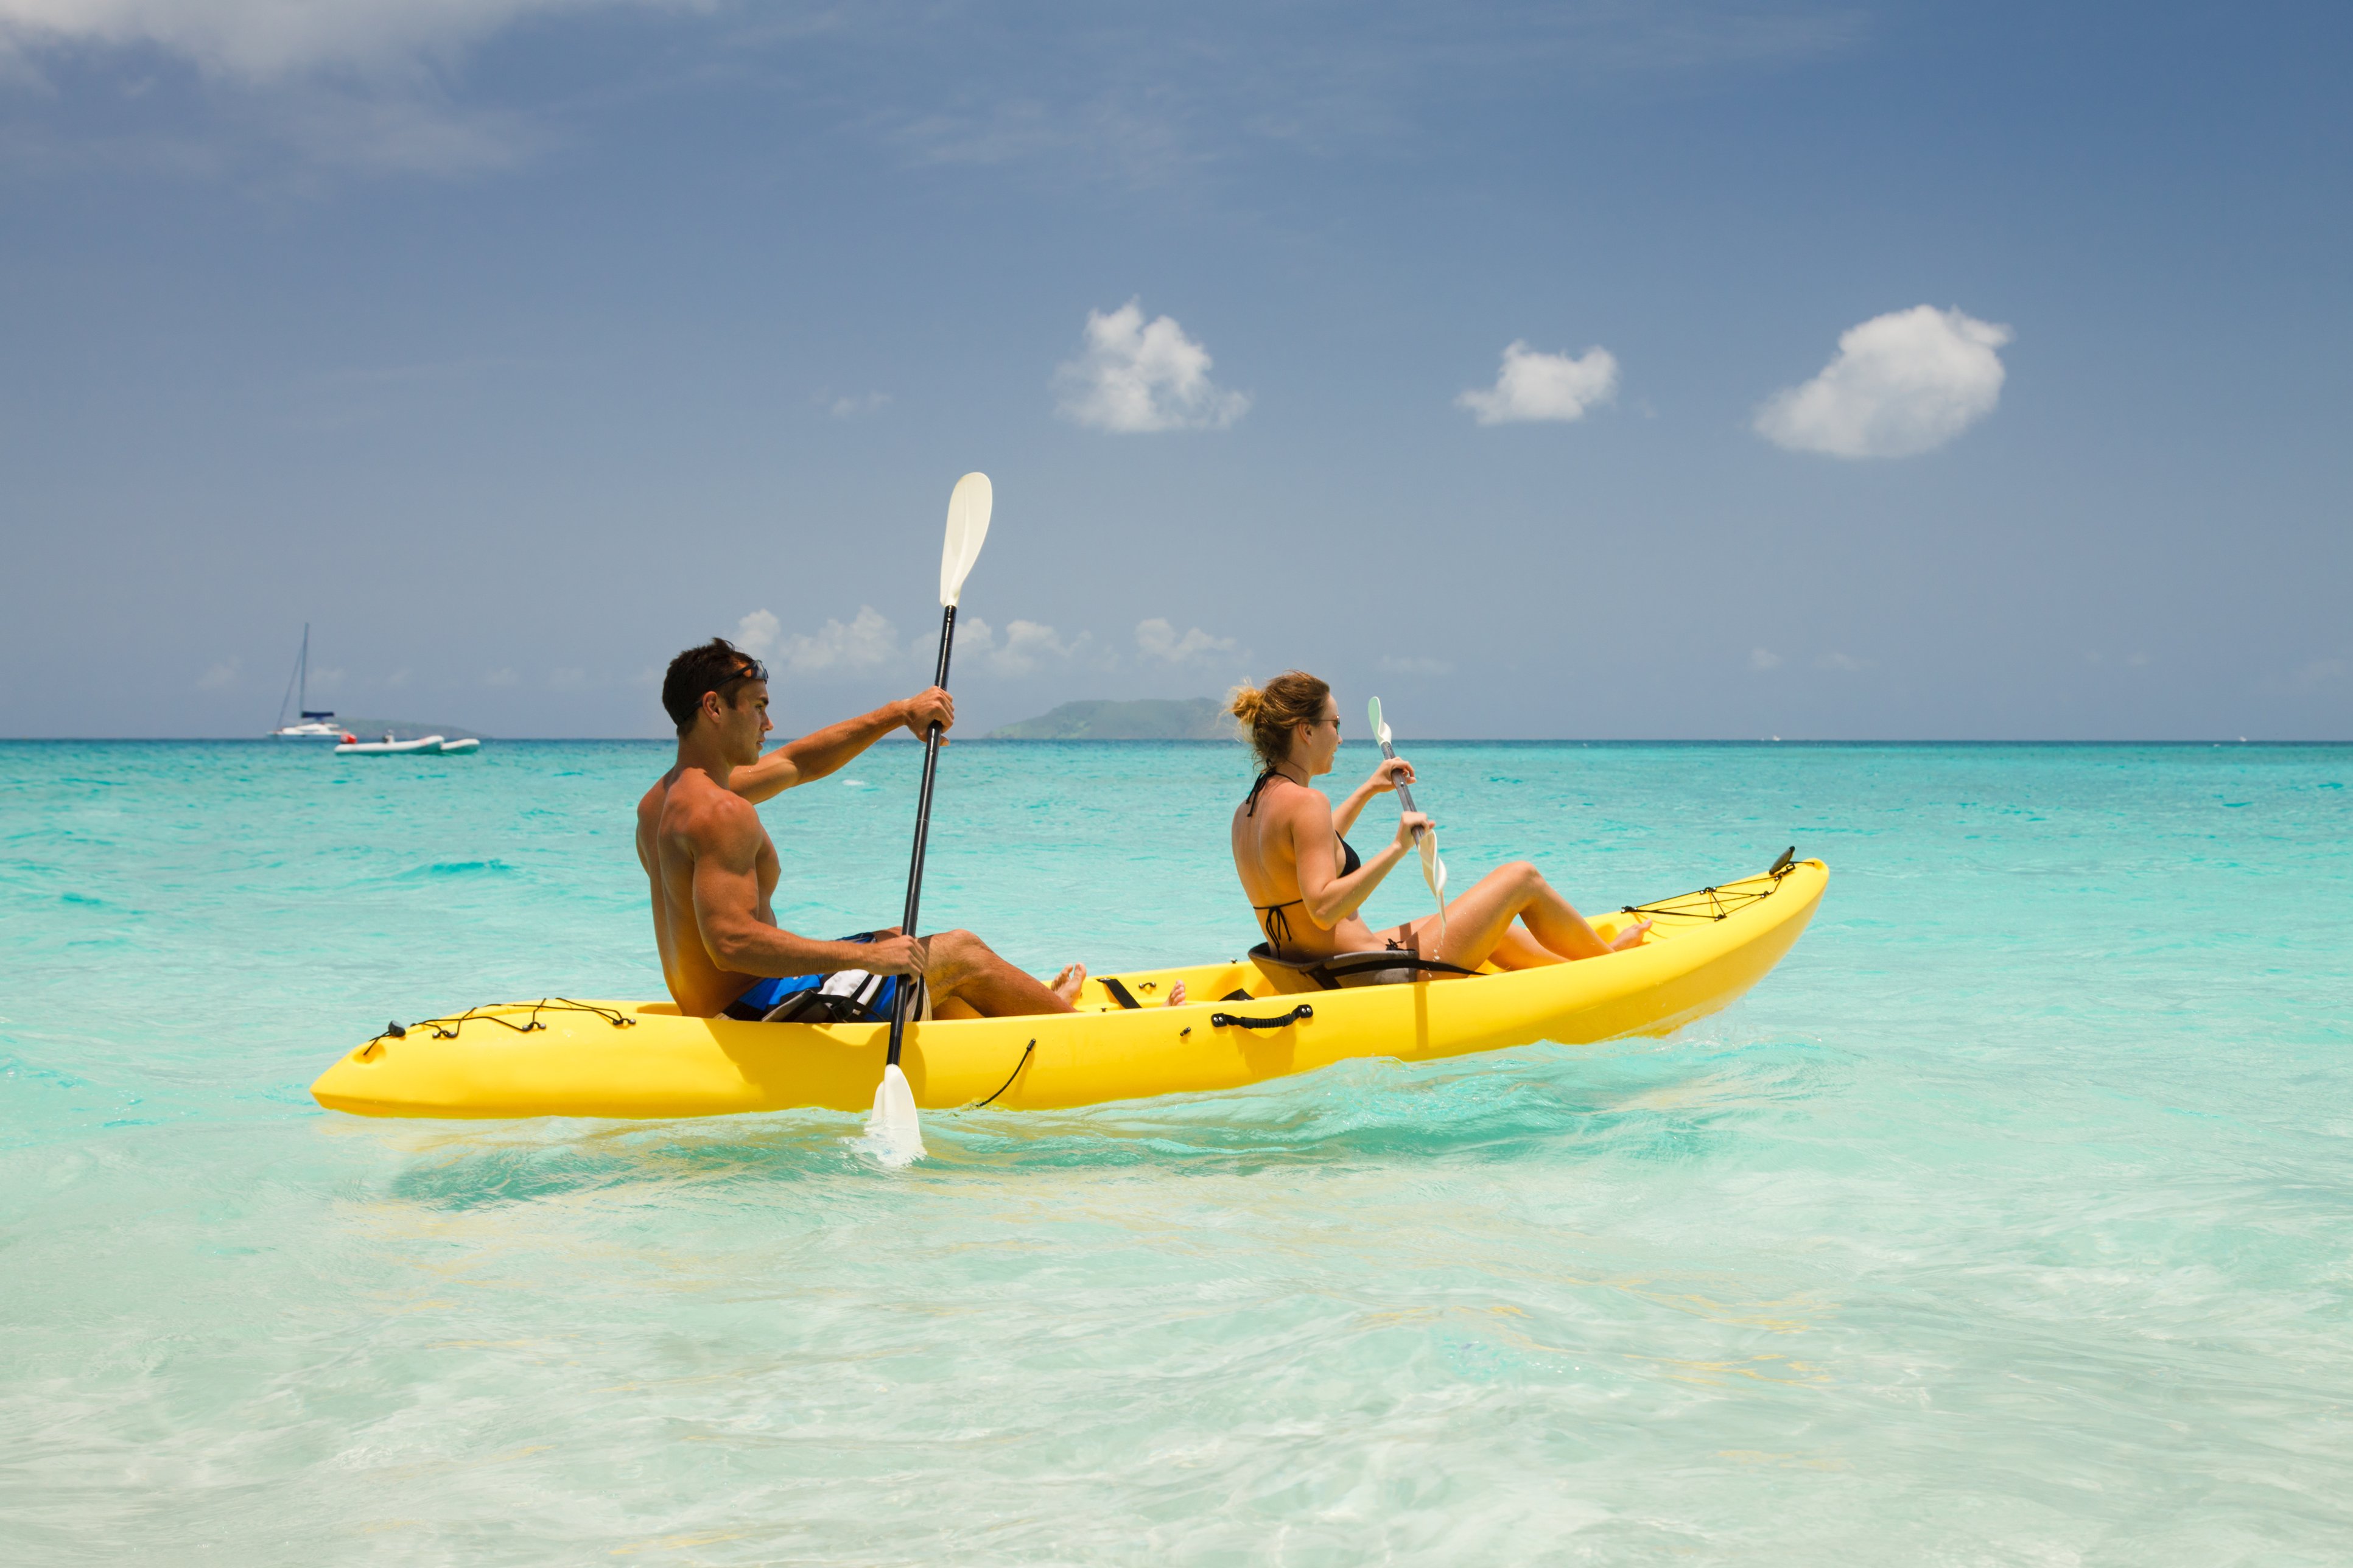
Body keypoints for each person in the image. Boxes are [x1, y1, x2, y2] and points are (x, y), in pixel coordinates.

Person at [638, 638, 1180, 1020]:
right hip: (753, 1008)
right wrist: (862, 958)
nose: (769, 725)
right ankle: (1076, 1028)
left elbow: (800, 763)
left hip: (723, 998)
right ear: (714, 707)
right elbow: (731, 943)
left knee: (908, 950)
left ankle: (1022, 1027)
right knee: (960, 951)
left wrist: (900, 713)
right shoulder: (721, 812)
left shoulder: (664, 801)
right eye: (758, 708)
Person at [1226, 670, 1647, 977]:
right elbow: (1321, 909)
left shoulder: (1250, 810)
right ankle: (1617, 972)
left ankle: (1586, 970)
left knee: (1496, 929)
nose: (1339, 737)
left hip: (1316, 972)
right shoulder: (1307, 802)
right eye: (1334, 725)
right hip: (1366, 975)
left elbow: (1315, 846)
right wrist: (1397, 848)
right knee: (1520, 877)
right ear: (1305, 731)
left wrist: (1367, 790)